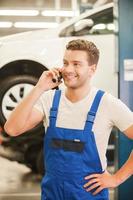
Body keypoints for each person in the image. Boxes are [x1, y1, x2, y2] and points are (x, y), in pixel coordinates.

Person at [4, 39, 133, 200]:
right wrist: (39, 88)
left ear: (92, 69)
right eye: (65, 63)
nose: (68, 69)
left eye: (76, 64)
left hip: (89, 195)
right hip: (52, 194)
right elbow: (12, 129)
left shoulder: (107, 103)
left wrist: (116, 179)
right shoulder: (49, 100)